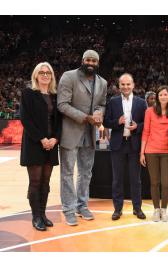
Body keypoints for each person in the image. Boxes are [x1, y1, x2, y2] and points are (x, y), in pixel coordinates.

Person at [57, 50, 107, 226]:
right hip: (71, 131)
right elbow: (62, 104)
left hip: (90, 134)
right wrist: (86, 117)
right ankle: (69, 209)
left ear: (98, 63)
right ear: (82, 60)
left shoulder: (103, 82)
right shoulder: (69, 76)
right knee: (68, 173)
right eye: (88, 60)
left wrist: (99, 113)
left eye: (94, 60)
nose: (91, 63)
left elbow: (102, 104)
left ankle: (82, 205)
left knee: (86, 172)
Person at [20, 62, 62, 231]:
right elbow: (25, 119)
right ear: (36, 75)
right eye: (42, 72)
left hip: (51, 145)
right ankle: (36, 216)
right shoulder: (28, 93)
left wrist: (55, 139)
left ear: (51, 76)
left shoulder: (55, 96)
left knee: (46, 182)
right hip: (34, 143)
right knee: (35, 182)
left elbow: (59, 121)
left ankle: (43, 214)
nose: (45, 75)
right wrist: (41, 139)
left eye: (48, 73)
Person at [103, 73, 147, 221]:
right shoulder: (113, 101)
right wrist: (117, 122)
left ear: (133, 85)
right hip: (118, 145)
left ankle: (137, 208)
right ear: (119, 86)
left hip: (134, 144)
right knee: (117, 179)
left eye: (128, 84)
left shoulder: (141, 102)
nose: (126, 87)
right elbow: (106, 122)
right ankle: (117, 209)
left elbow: (146, 124)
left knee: (136, 179)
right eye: (123, 84)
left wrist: (137, 126)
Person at [140, 85, 168, 222]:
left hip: (167, 151)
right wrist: (142, 153)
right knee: (154, 182)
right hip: (151, 151)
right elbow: (145, 132)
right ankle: (156, 209)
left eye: (166, 94)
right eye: (161, 95)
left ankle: (164, 210)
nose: (163, 97)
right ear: (157, 97)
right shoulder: (149, 111)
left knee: (166, 183)